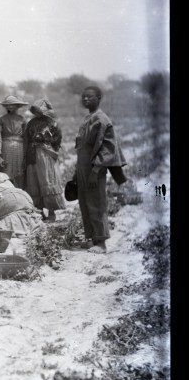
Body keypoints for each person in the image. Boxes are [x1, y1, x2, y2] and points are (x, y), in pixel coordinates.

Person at [74, 86, 127, 254]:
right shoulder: (88, 118)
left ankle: (102, 243)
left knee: (96, 203)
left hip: (94, 169)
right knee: (84, 203)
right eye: (84, 96)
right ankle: (92, 239)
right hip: (83, 168)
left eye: (90, 97)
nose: (85, 99)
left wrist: (96, 171)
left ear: (99, 98)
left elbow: (106, 149)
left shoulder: (102, 120)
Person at [24, 98, 66, 222]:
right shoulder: (31, 123)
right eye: (36, 111)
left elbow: (58, 139)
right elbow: (27, 139)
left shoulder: (52, 123)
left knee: (47, 180)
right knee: (34, 181)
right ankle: (40, 212)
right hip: (32, 155)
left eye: (39, 110)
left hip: (46, 155)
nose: (38, 113)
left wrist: (50, 149)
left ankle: (52, 212)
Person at [0, 95, 29, 189]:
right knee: (6, 171)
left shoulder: (22, 120)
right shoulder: (1, 120)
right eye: (8, 105)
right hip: (5, 147)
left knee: (19, 171)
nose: (10, 107)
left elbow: (26, 137)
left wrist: (26, 153)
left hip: (19, 147)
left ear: (17, 106)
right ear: (5, 106)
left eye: (13, 105)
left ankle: (20, 193)